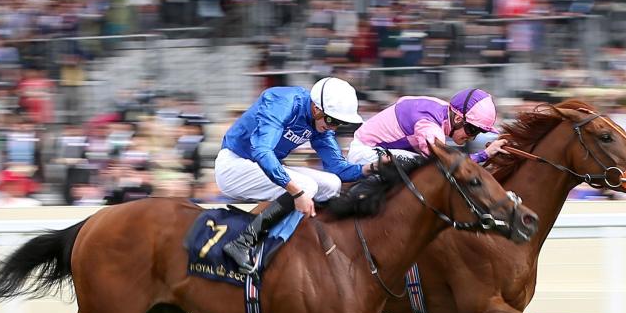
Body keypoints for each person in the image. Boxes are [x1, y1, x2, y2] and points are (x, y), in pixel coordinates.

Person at [215, 77, 375, 273]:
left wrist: (371, 168)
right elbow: (262, 151)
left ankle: (311, 237)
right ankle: (242, 243)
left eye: (340, 123)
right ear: (316, 109)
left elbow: (338, 169)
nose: (333, 128)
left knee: (332, 184)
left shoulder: (321, 125)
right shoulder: (283, 102)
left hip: (259, 167)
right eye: (332, 120)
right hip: (234, 165)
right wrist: (297, 193)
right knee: (306, 187)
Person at [346, 88, 508, 168]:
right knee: (426, 168)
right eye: (472, 130)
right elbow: (447, 165)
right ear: (458, 118)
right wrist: (484, 155)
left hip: (379, 149)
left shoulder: (444, 110)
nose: (472, 138)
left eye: (479, 132)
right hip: (364, 153)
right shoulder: (429, 126)